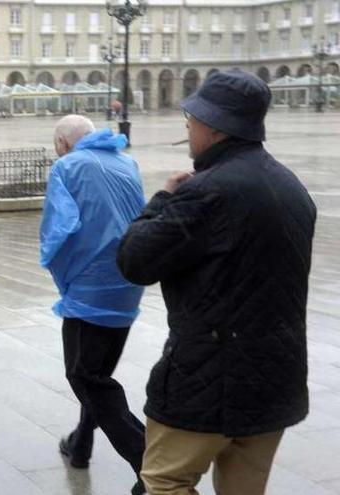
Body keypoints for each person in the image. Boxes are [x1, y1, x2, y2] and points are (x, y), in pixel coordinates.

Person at [117, 70, 317, 495]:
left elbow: (134, 261)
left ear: (211, 127)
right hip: (274, 380)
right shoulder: (291, 186)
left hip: (208, 380)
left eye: (190, 125)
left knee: (165, 481)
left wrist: (163, 200)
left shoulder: (207, 191)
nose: (188, 134)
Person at [40, 115, 147, 495]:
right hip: (129, 282)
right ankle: (80, 444)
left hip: (92, 288)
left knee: (85, 377)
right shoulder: (126, 161)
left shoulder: (67, 166)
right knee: (97, 373)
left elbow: (59, 230)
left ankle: (148, 461)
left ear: (63, 143)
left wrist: (64, 280)